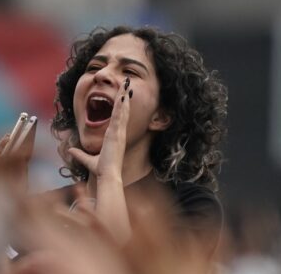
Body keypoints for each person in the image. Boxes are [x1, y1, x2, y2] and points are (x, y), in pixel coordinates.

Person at [50, 25, 228, 252]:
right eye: (94, 67)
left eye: (130, 72)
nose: (102, 75)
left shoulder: (190, 208)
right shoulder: (50, 207)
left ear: (161, 116)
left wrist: (109, 177)